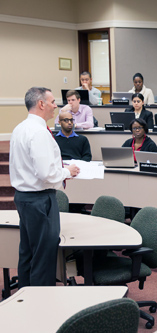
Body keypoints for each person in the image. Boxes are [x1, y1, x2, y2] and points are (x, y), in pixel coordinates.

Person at [10, 87, 80, 287]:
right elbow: (46, 174)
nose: (56, 106)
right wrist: (68, 172)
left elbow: (32, 166)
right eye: (52, 102)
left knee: (28, 253)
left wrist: (59, 168)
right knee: (43, 256)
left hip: (24, 197)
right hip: (40, 200)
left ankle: (25, 296)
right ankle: (41, 304)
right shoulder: (39, 132)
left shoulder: (20, 128)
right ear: (41, 104)